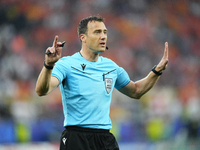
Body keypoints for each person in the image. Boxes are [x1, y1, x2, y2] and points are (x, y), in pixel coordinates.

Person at [35, 16, 168, 150]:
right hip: (76, 138)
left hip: (105, 138)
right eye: (97, 32)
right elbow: (42, 90)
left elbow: (136, 91)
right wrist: (48, 65)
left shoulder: (111, 67)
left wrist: (156, 71)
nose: (103, 36)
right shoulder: (67, 64)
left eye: (105, 32)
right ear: (83, 37)